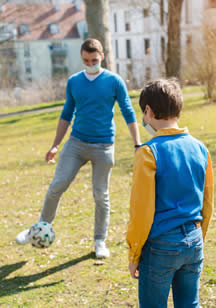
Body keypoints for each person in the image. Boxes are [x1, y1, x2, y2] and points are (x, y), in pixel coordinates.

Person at [16, 38, 141, 258]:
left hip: (104, 146)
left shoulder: (114, 81)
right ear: (81, 58)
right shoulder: (74, 82)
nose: (90, 63)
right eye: (86, 60)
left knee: (101, 195)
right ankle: (37, 228)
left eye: (94, 60)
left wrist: (137, 144)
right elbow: (66, 114)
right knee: (57, 185)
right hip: (76, 143)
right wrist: (55, 145)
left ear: (101, 57)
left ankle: (100, 241)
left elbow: (128, 112)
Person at [126, 79, 214, 308]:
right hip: (193, 240)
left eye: (143, 115)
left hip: (160, 246)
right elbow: (207, 202)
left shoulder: (148, 152)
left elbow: (141, 211)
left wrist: (134, 254)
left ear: (148, 111)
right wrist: (198, 238)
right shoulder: (200, 148)